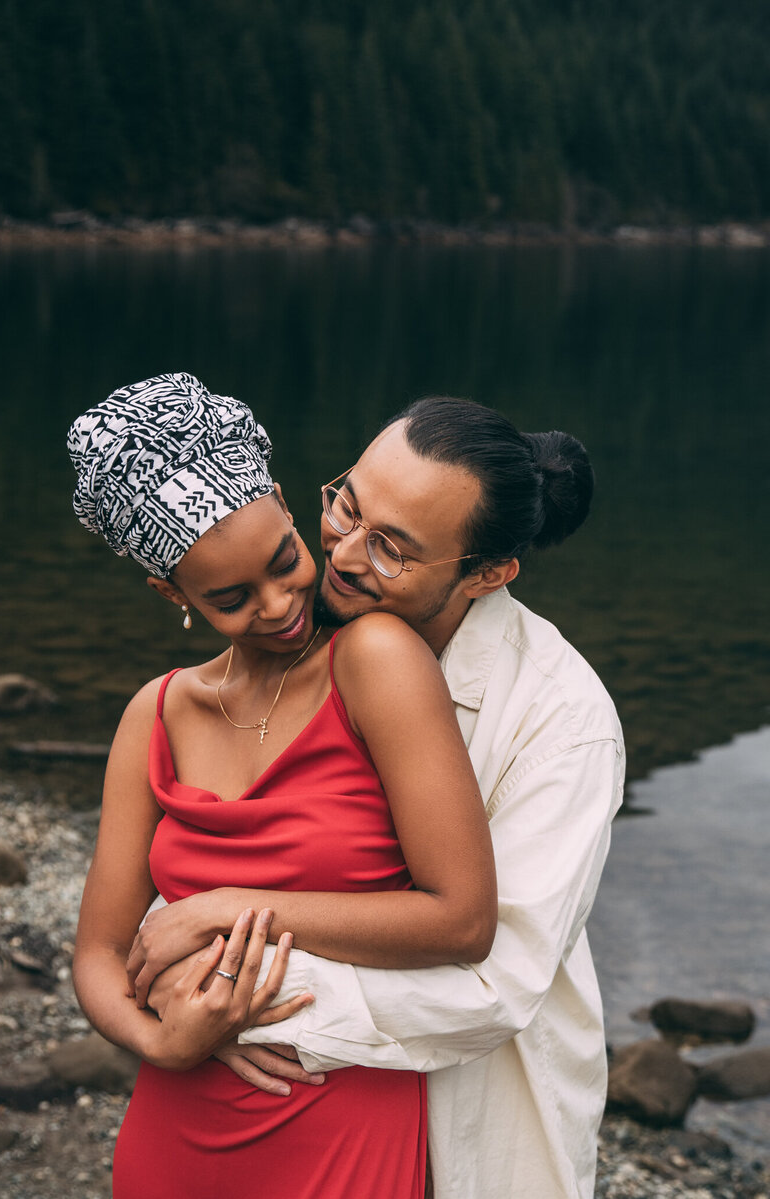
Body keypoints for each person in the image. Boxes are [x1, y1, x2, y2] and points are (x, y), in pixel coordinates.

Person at [129, 396, 626, 1199]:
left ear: (490, 572)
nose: (345, 555)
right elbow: (220, 829)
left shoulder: (563, 725)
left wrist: (228, 996)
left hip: (473, 1115)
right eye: (347, 505)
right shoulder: (304, 623)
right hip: (286, 1113)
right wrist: (193, 976)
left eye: (391, 547)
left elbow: (496, 979)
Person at [68, 375, 497, 1199]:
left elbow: (462, 918)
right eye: (230, 598)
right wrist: (162, 1043)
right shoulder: (154, 715)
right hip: (177, 1124)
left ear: (287, 507)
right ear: (174, 594)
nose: (279, 606)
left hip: (340, 1112)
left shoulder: (374, 660)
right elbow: (97, 952)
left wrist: (221, 904)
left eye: (284, 561)